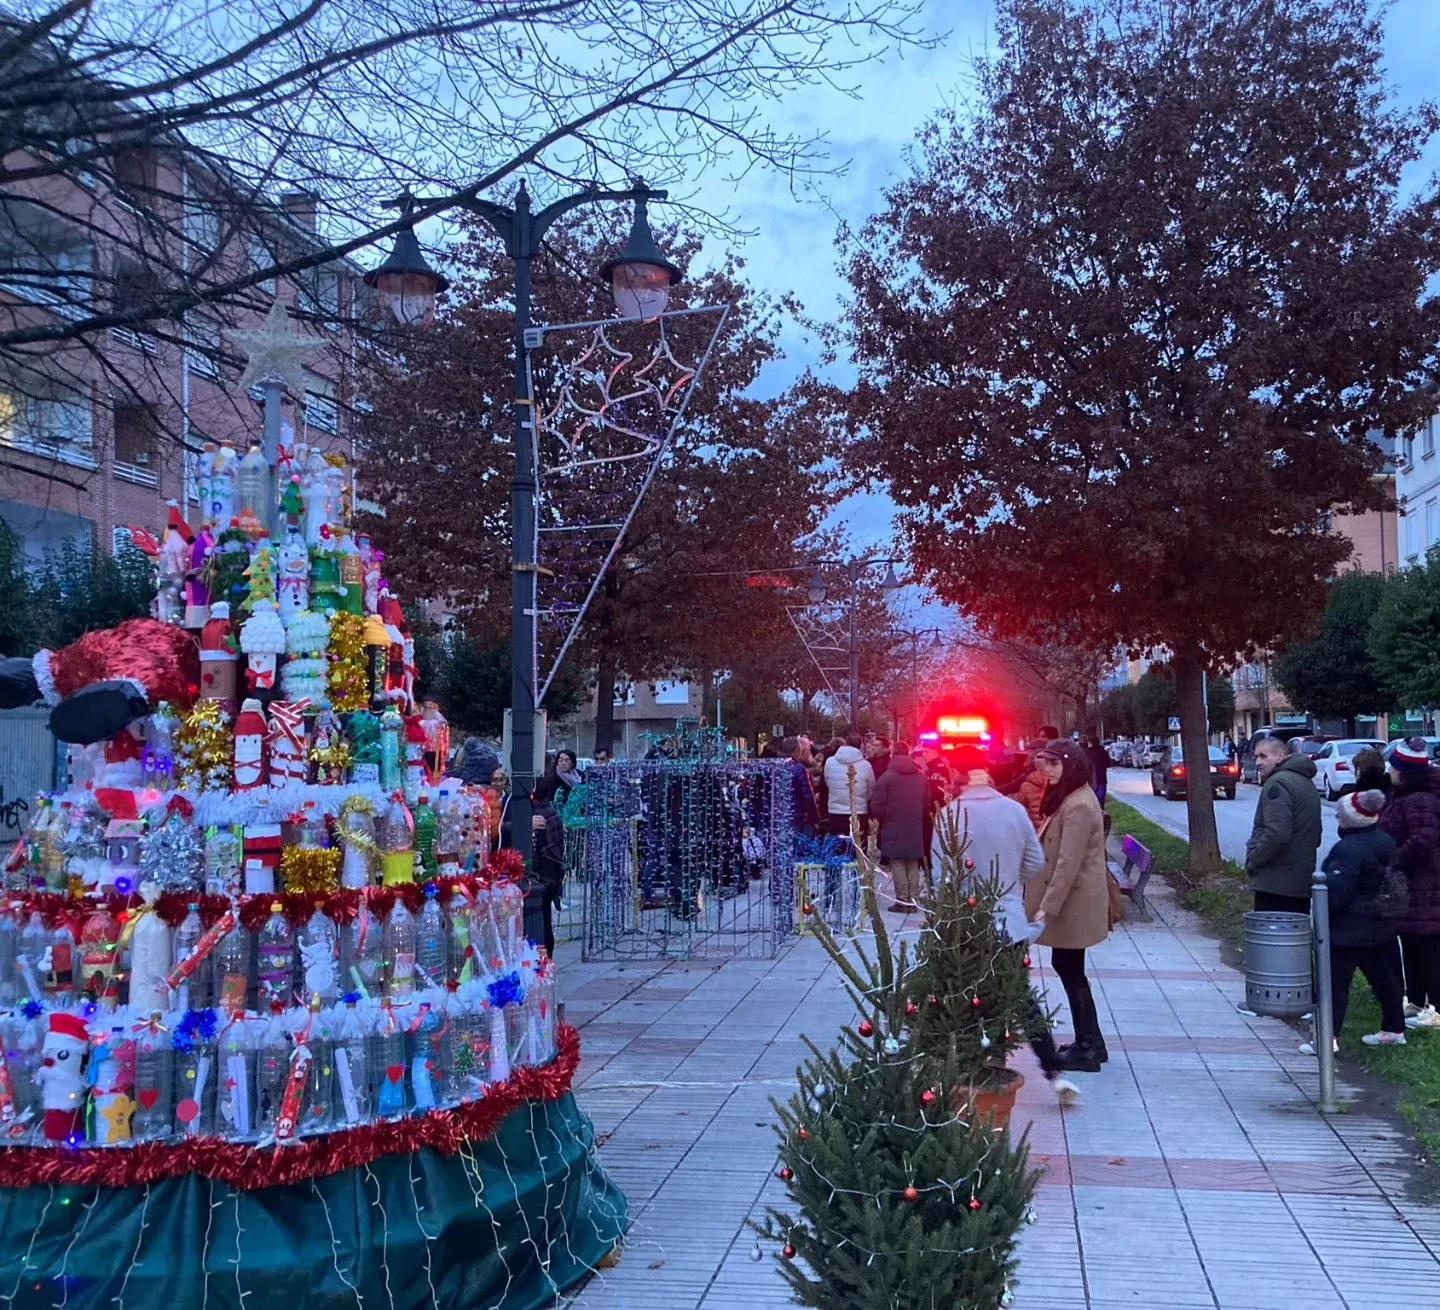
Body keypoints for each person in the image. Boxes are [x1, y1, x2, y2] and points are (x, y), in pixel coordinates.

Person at [934, 744, 1079, 1104]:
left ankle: (967, 1071)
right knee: (1020, 996)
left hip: (965, 924)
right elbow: (1035, 863)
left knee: (964, 994)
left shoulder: (949, 815)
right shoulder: (1014, 811)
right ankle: (1053, 1070)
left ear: (956, 773)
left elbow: (940, 879)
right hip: (1009, 922)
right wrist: (1009, 883)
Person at [1025, 740, 1111, 1072]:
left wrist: (1047, 907)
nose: (1047, 770)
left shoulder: (1079, 805)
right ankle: (1091, 1042)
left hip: (1075, 904)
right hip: (1074, 901)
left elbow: (1067, 863)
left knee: (1071, 970)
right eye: (1044, 763)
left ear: (1071, 765)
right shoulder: (1073, 797)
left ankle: (1089, 1047)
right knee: (1070, 968)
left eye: (1054, 764)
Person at [1304, 789, 1405, 1053]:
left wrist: (1321, 915)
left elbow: (1336, 892)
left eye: (1340, 815)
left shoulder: (1348, 849)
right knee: (1385, 980)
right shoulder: (1385, 841)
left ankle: (1328, 1038)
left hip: (1348, 929)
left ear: (1350, 820)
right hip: (1380, 923)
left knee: (1335, 985)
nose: (1338, 819)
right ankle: (1395, 1028)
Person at [1380, 740, 1440, 1028]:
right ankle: (1416, 1000)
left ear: (1404, 771)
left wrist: (1395, 859)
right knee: (1412, 944)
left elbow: (1423, 839)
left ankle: (1436, 1008)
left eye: (1394, 766)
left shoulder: (1419, 800)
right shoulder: (1402, 795)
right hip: (1412, 886)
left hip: (1426, 884)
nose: (1389, 771)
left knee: (1429, 949)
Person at [1244, 735, 1322, 914]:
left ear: (1280, 756)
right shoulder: (1306, 782)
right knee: (1296, 930)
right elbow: (1316, 835)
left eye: (1263, 756)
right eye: (1256, 757)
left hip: (1275, 884)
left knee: (1272, 931)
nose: (1257, 762)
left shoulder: (1277, 783)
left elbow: (1277, 833)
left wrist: (1253, 860)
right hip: (1299, 882)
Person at [869, 740, 930, 910]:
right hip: (915, 824)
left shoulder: (887, 777)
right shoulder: (920, 776)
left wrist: (880, 819)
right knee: (912, 862)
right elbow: (927, 802)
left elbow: (877, 803)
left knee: (897, 862)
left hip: (892, 825)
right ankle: (913, 900)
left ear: (893, 754)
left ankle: (902, 900)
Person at [529, 775, 566, 956]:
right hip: (553, 873)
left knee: (540, 921)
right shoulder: (552, 813)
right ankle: (548, 958)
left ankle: (542, 958)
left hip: (540, 874)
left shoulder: (535, 815)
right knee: (546, 919)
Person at [822, 733, 875, 844]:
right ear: (861, 745)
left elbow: (828, 782)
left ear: (845, 743)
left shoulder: (830, 762)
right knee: (858, 848)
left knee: (836, 848)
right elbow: (871, 789)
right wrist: (862, 799)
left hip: (835, 812)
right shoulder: (866, 765)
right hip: (858, 812)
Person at [783, 736, 821, 838]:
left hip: (780, 816)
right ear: (797, 750)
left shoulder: (776, 768)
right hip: (797, 815)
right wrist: (815, 818)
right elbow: (808, 796)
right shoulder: (800, 770)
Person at [1083, 733, 1108, 806]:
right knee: (1100, 799)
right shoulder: (1103, 751)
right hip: (1101, 779)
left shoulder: (1088, 753)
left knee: (1092, 801)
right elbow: (1108, 763)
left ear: (1091, 743)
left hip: (1091, 780)